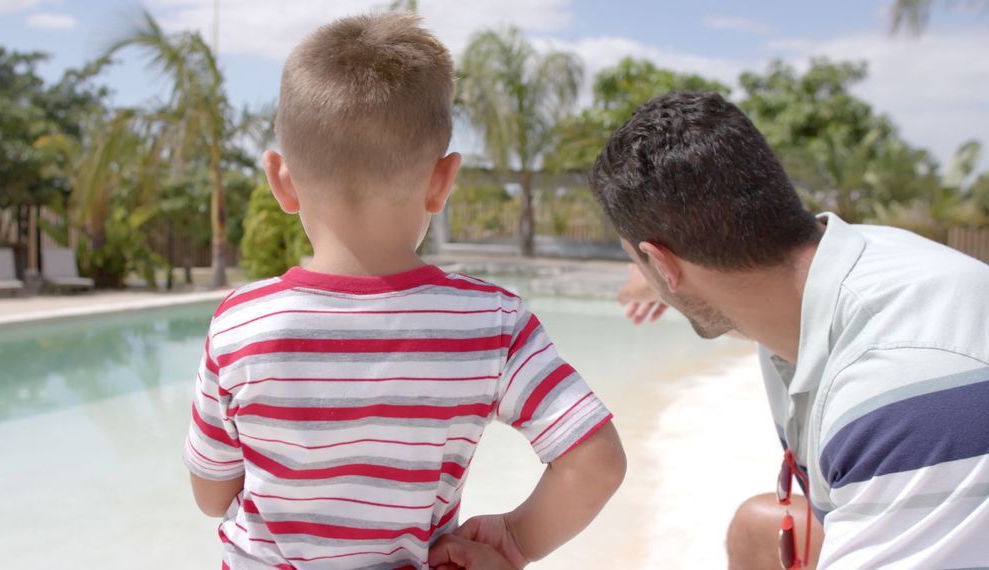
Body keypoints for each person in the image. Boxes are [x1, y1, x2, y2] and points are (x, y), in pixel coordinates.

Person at [440, 90, 989, 569]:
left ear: (667, 265)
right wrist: (655, 275)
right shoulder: (837, 271)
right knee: (759, 531)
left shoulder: (904, 391)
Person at [181, 13, 626, 570]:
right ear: (443, 181)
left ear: (281, 180)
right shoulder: (492, 323)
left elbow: (211, 496)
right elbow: (596, 462)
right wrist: (514, 542)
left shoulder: (240, 323)